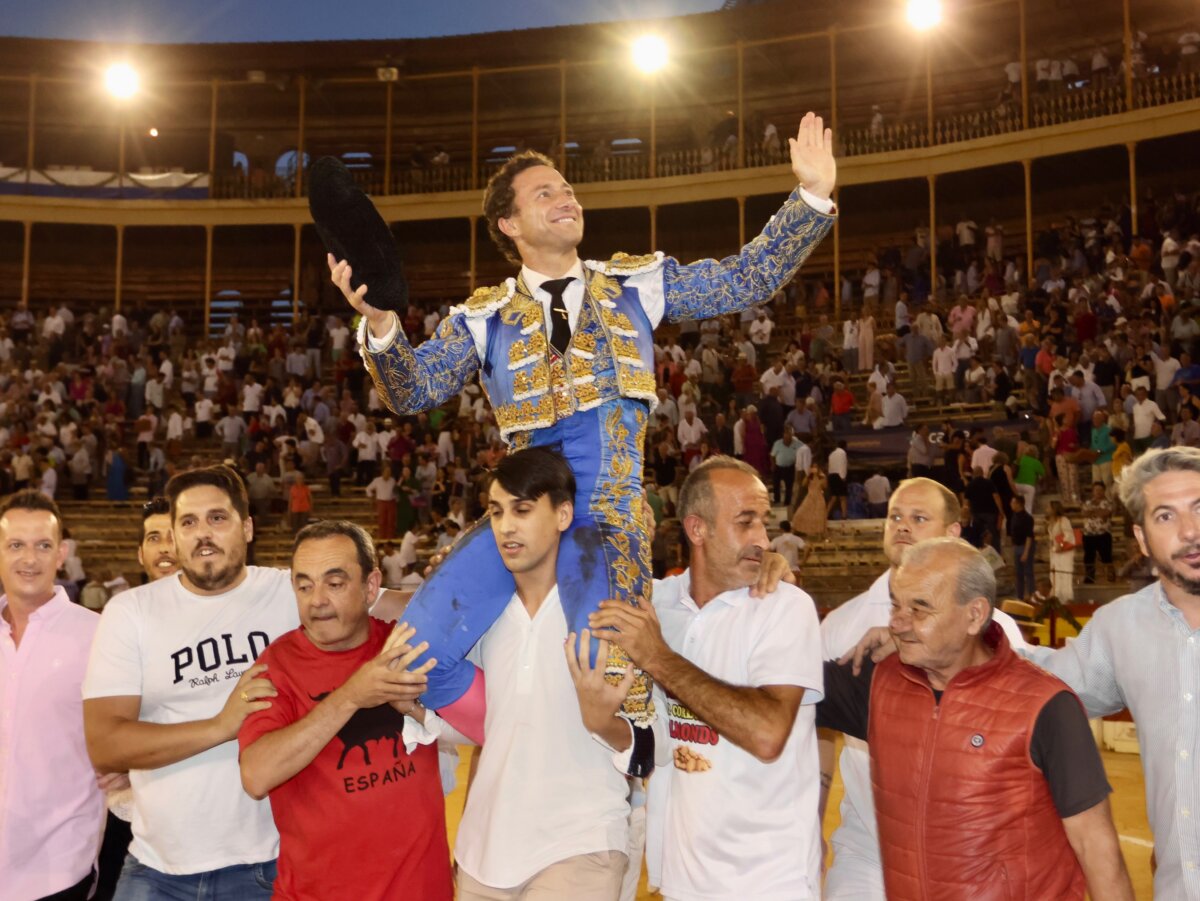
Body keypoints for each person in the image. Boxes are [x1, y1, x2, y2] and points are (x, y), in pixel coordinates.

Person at [325, 113, 837, 733]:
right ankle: (525, 739)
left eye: (568, 189)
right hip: (518, 516)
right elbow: (414, 390)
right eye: (546, 192)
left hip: (607, 517)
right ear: (509, 225)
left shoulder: (635, 286)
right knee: (412, 660)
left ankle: (604, 773)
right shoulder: (483, 318)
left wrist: (810, 197)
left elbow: (744, 278)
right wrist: (381, 328)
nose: (566, 198)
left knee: (606, 667)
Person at [818, 538, 1134, 900]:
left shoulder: (1047, 706)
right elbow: (782, 688)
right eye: (896, 606)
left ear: (975, 615)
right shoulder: (876, 684)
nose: (897, 623)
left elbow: (1097, 849)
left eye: (919, 609)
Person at [589, 456, 825, 899]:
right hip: (679, 879)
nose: (762, 539)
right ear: (697, 530)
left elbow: (767, 732)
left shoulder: (784, 608)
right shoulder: (657, 604)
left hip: (768, 882)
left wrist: (659, 658)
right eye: (745, 522)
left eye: (763, 522)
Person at [83, 466, 297, 899]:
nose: (203, 534)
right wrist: (221, 725)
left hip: (267, 863)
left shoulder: (291, 592)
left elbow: (384, 602)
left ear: (248, 526)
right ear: (175, 536)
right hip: (156, 867)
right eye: (188, 522)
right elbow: (105, 745)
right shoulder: (132, 612)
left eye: (217, 518)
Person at [816, 478, 1027, 898]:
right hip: (867, 848)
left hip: (972, 849)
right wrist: (813, 822)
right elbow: (821, 732)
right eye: (895, 516)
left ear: (953, 533)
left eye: (919, 518)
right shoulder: (840, 624)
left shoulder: (995, 628)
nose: (903, 526)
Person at [452, 447, 646, 898]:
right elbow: (486, 727)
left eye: (522, 510)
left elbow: (647, 741)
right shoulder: (482, 613)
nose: (506, 527)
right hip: (484, 849)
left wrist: (603, 724)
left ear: (563, 515)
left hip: (579, 843)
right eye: (496, 512)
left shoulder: (609, 608)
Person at [238, 521, 453, 900]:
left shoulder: (406, 644)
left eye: (334, 584)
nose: (316, 600)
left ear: (371, 586)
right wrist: (351, 695)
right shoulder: (276, 666)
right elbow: (256, 776)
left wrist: (457, 576)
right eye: (304, 586)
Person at [0, 490, 109, 901]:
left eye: (43, 545)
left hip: (59, 870)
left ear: (61, 553)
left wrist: (126, 768)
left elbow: (134, 729)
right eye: (15, 545)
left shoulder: (98, 636)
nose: (30, 559)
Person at [1081, 481, 1115, 583]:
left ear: (1104, 491)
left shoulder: (1108, 503)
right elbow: (1084, 513)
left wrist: (1092, 511)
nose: (1098, 492)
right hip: (1088, 534)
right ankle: (1090, 577)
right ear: (1093, 491)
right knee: (1088, 558)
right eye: (1096, 490)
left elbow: (1105, 513)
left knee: (1106, 557)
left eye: (1100, 490)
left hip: (1103, 534)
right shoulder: (1088, 503)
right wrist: (1097, 511)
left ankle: (1110, 576)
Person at [1047, 499, 1077, 602]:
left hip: (1064, 552)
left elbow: (1069, 535)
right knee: (1055, 574)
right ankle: (1056, 596)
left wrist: (1061, 544)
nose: (1047, 509)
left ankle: (1066, 598)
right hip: (1055, 551)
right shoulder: (1051, 521)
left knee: (1064, 574)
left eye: (1049, 507)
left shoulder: (1064, 520)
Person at [1009, 495, 1037, 600]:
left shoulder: (1028, 518)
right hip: (1017, 546)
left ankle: (1032, 595)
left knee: (1028, 572)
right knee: (1018, 574)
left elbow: (1029, 536)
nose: (1011, 505)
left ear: (1019, 504)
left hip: (1026, 546)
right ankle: (1019, 597)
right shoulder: (1014, 516)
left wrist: (1026, 552)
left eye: (1013, 502)